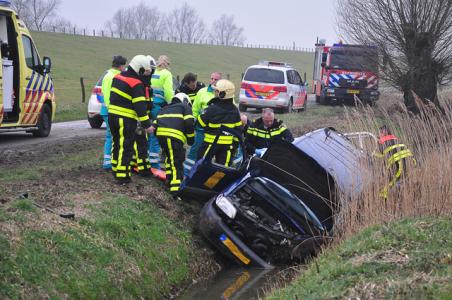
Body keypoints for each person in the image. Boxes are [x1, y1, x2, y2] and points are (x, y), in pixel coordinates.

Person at [108, 55, 156, 184]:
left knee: (116, 143)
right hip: (126, 118)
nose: (145, 75)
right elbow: (140, 107)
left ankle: (115, 169)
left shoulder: (118, 77)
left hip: (112, 116)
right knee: (126, 146)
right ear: (138, 68)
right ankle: (122, 176)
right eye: (144, 71)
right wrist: (147, 125)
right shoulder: (136, 83)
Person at [153, 92, 195, 195]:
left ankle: (169, 179)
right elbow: (189, 123)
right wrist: (190, 139)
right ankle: (176, 189)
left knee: (169, 158)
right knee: (177, 161)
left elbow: (155, 124)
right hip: (174, 137)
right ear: (185, 100)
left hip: (161, 136)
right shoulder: (185, 107)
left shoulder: (163, 109)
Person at [184, 72, 222, 175]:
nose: (213, 81)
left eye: (216, 79)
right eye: (212, 78)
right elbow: (195, 109)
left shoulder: (224, 94)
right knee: (195, 151)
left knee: (210, 154)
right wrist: (195, 122)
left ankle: (199, 174)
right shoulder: (202, 91)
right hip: (201, 130)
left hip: (216, 131)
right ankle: (186, 174)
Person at [197, 79, 242, 166]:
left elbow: (200, 124)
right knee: (223, 171)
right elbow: (238, 131)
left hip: (210, 145)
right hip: (227, 147)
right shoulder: (235, 110)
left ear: (222, 94)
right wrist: (234, 147)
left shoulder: (212, 109)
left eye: (217, 91)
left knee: (200, 167)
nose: (214, 92)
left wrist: (203, 112)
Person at [100, 55, 127, 170]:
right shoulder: (115, 76)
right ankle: (109, 161)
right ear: (121, 66)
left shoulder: (107, 75)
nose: (125, 68)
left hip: (106, 109)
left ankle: (107, 159)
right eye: (124, 66)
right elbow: (108, 95)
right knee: (113, 135)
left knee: (110, 135)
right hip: (111, 110)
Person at [148, 55, 174, 170]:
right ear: (168, 64)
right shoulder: (166, 74)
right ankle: (154, 163)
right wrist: (172, 103)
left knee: (148, 132)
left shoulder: (152, 72)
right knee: (156, 133)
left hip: (148, 105)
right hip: (158, 106)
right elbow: (168, 91)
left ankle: (146, 159)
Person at [376, 125, 415, 199]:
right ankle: (401, 197)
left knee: (389, 184)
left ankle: (383, 199)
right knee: (400, 182)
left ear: (384, 132)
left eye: (380, 133)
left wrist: (372, 154)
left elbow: (381, 156)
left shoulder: (383, 142)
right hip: (411, 163)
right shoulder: (395, 139)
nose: (379, 135)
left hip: (400, 166)